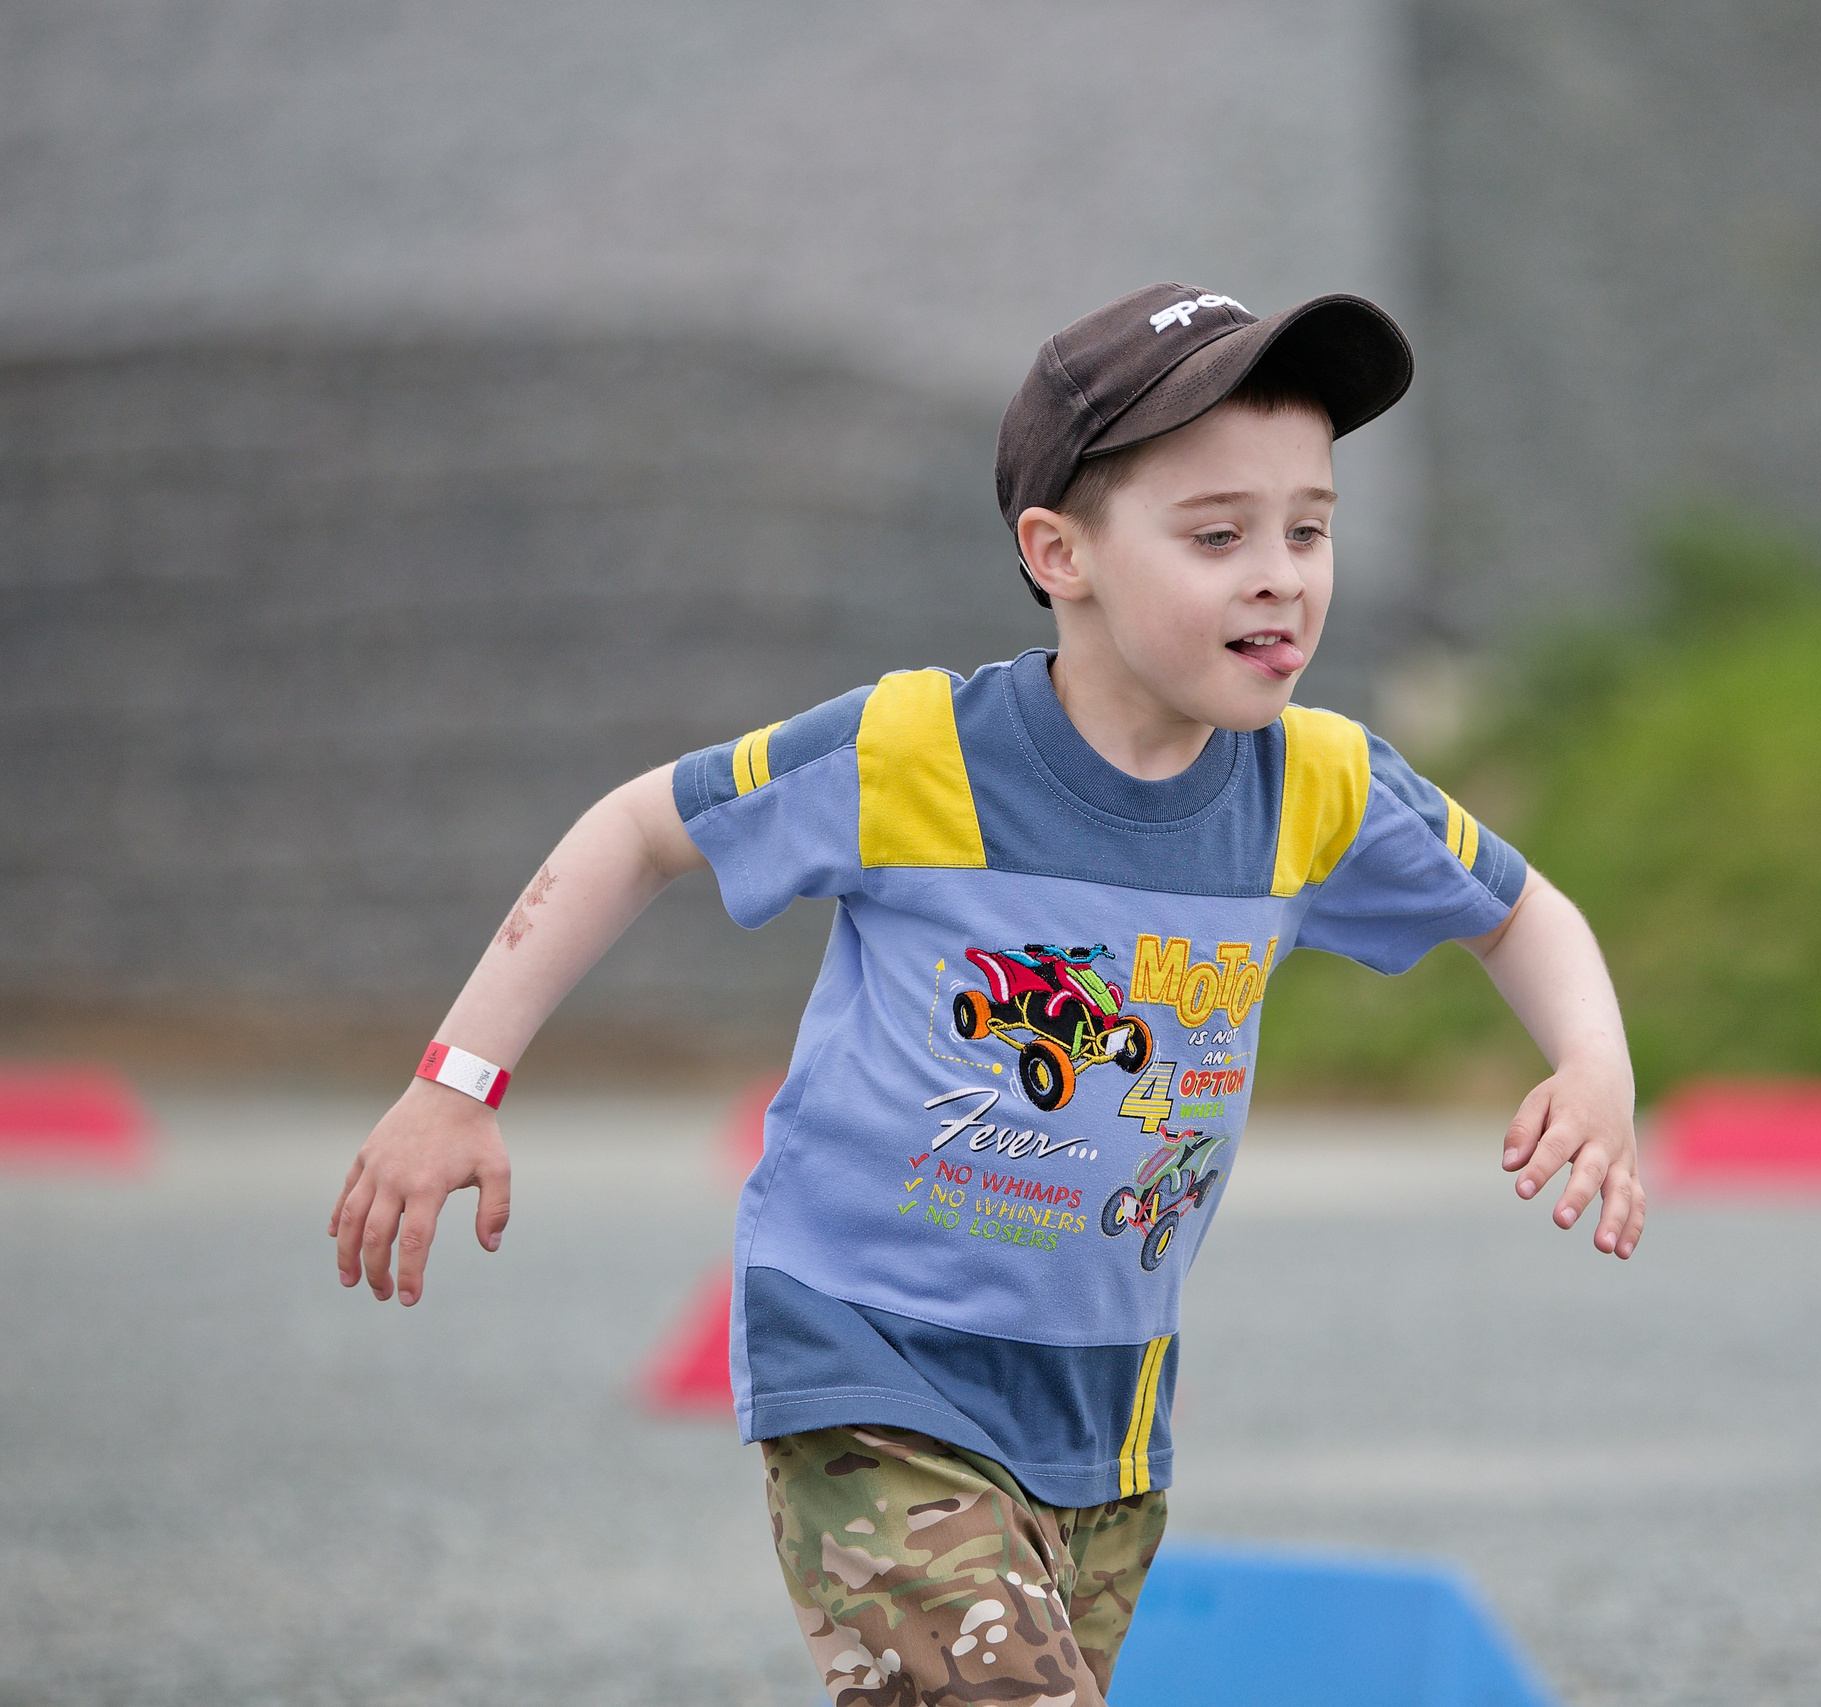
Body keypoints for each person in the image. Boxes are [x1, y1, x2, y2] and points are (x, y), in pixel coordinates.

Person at [329, 283, 1644, 1705]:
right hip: (871, 1368)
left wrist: (1594, 1065)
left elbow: (1524, 911)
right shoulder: (921, 753)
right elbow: (643, 827)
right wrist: (457, 1083)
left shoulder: (1315, 786)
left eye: (1309, 530)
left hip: (1106, 1409)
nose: (1280, 577)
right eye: (1218, 536)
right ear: (1058, 552)